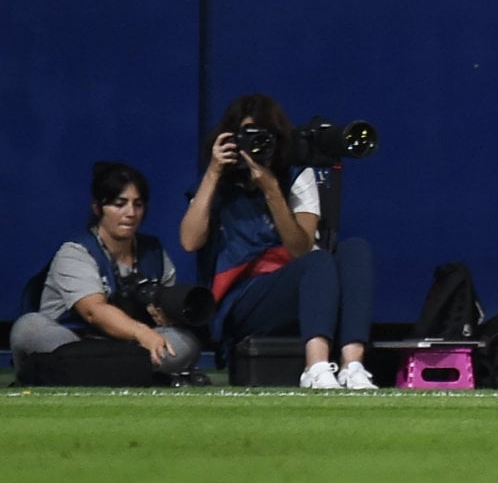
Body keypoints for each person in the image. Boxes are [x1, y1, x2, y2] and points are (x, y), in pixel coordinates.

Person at [180, 93, 378, 389]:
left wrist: (272, 189)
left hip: (296, 283)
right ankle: (316, 367)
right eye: (249, 136)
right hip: (244, 298)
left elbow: (299, 248)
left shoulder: (296, 175)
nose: (257, 145)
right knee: (318, 262)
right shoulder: (219, 180)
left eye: (266, 137)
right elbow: (189, 241)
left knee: (355, 249)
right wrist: (213, 171)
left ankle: (353, 366)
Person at [10, 162, 204, 382]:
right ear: (98, 208)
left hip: (126, 346)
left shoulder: (153, 252)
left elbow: (166, 308)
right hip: (73, 342)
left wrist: (165, 315)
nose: (130, 213)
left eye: (137, 204)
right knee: (29, 328)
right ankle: (132, 374)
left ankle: (90, 374)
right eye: (119, 204)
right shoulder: (76, 251)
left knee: (184, 343)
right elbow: (94, 311)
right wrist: (141, 332)